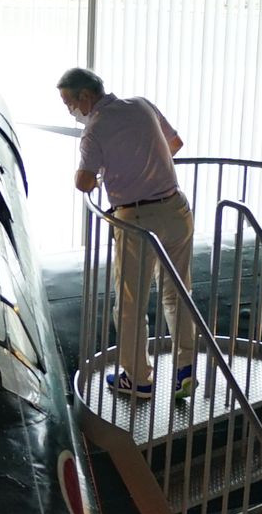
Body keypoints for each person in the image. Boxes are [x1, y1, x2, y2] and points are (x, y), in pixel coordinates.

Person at [59, 66, 194, 401]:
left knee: (130, 304)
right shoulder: (142, 104)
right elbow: (175, 144)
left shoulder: (93, 131)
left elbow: (83, 182)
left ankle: (139, 379)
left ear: (85, 96)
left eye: (69, 103)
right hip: (176, 209)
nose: (69, 110)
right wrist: (143, 167)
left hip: (137, 220)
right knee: (177, 293)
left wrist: (112, 174)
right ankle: (186, 370)